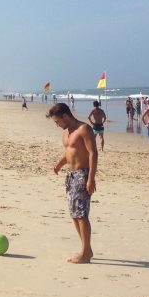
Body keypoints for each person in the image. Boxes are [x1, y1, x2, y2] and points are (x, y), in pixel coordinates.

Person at [48, 102, 97, 264]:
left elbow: (93, 153)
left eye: (57, 121)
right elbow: (69, 151)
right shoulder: (67, 132)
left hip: (82, 175)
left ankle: (86, 252)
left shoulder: (84, 129)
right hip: (70, 176)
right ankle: (85, 249)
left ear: (65, 116)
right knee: (75, 214)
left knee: (82, 215)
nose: (57, 125)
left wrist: (91, 178)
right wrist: (59, 164)